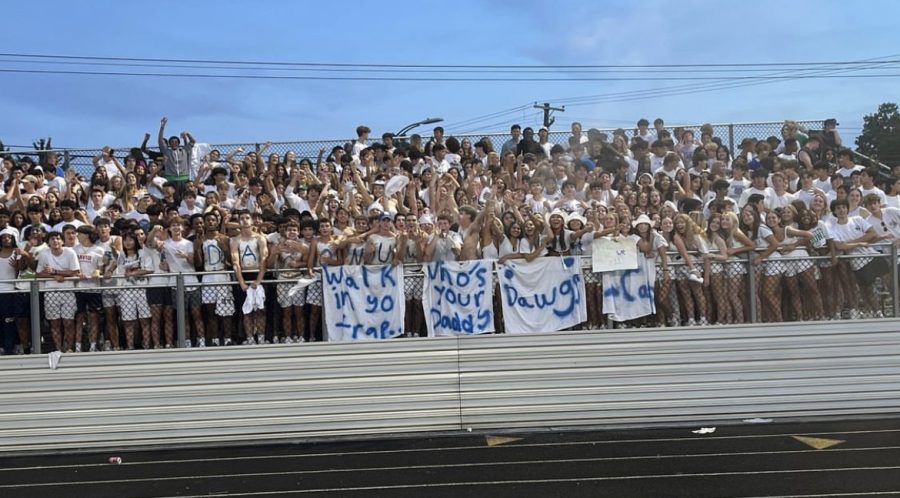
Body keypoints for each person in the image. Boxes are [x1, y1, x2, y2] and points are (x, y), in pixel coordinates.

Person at [35, 231, 80, 352]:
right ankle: (58, 349)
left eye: (58, 239)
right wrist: (53, 277)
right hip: (51, 292)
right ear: (48, 242)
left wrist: (56, 272)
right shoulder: (44, 254)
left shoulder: (70, 252)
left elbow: (75, 271)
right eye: (53, 239)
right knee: (54, 323)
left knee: (68, 322)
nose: (55, 241)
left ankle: (69, 348)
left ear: (63, 241)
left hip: (68, 291)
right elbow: (38, 274)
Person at [195, 210, 235, 347]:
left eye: (213, 220)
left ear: (217, 222)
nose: (211, 222)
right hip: (208, 276)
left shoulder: (225, 238)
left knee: (226, 310)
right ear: (204, 223)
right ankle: (215, 339)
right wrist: (197, 249)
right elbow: (198, 264)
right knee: (210, 310)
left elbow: (231, 262)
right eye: (208, 220)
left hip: (222, 275)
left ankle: (228, 338)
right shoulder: (200, 240)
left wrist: (225, 249)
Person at [231, 211, 269, 345]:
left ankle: (261, 337)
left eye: (247, 218)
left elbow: (264, 259)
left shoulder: (260, 238)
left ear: (252, 221)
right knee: (245, 309)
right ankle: (250, 338)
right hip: (244, 275)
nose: (245, 221)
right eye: (241, 218)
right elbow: (235, 262)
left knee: (261, 309)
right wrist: (241, 282)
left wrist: (258, 280)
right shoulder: (236, 240)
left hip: (258, 274)